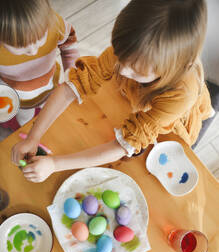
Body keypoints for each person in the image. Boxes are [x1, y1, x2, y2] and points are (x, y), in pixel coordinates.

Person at [12, 0, 212, 183]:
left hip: (170, 124)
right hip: (133, 99)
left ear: (171, 68)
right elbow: (70, 89)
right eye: (119, 55)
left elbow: (122, 146)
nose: (122, 70)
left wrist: (55, 164)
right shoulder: (135, 54)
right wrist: (33, 137)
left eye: (136, 69)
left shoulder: (180, 94)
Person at [0, 0, 79, 130]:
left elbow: (69, 45)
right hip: (20, 101)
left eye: (40, 38)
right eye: (20, 46)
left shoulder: (53, 23)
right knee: (26, 121)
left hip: (52, 87)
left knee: (50, 113)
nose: (33, 51)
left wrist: (72, 73)